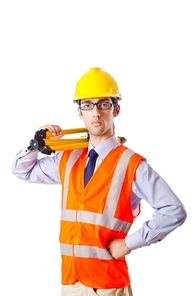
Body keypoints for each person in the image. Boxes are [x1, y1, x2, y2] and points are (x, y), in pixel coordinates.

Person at [11, 67, 187, 296]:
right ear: (79, 112)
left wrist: (128, 244)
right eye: (87, 105)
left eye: (103, 104)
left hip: (108, 285)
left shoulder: (131, 164)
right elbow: (21, 170)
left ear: (116, 109)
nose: (95, 113)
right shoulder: (68, 158)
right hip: (70, 282)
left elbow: (173, 211)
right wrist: (35, 143)